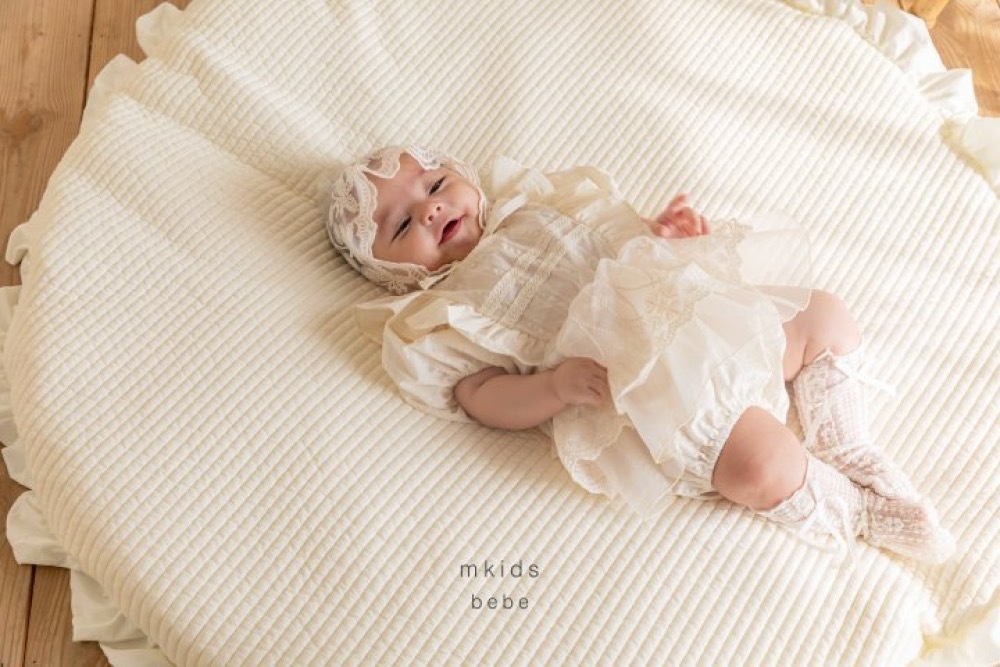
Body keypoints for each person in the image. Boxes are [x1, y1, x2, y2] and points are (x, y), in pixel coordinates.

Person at [326, 144, 955, 564]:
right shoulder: (443, 314)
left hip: (710, 319)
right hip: (656, 396)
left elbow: (627, 247)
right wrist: (552, 389)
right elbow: (479, 396)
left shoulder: (539, 205)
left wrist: (673, 240)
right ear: (391, 275)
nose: (431, 208)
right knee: (762, 464)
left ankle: (845, 440)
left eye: (436, 184)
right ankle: (858, 510)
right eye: (402, 226)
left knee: (824, 315)